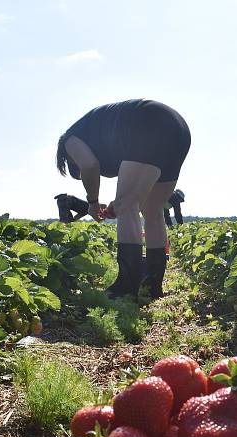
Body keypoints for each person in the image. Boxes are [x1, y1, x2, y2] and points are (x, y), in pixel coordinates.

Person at [56, 99, 191, 300]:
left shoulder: (70, 140)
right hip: (178, 129)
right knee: (152, 212)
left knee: (129, 207)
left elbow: (90, 166)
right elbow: (134, 189)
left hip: (148, 122)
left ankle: (127, 287)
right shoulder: (99, 134)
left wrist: (93, 203)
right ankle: (151, 285)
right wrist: (120, 203)